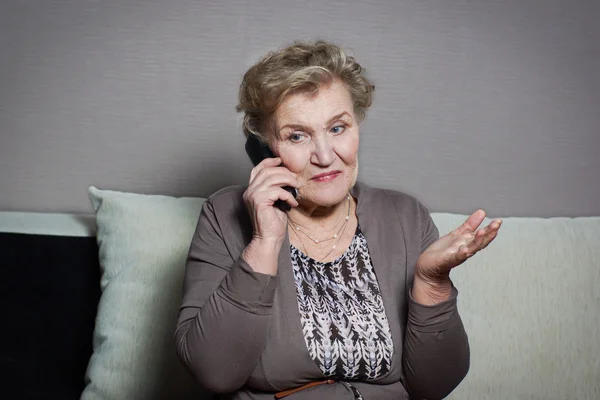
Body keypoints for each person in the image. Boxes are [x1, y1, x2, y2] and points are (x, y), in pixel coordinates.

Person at [175, 40, 502, 400]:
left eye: (337, 128)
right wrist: (264, 243)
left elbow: (435, 386)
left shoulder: (405, 217)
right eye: (297, 136)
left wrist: (431, 283)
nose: (326, 156)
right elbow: (214, 372)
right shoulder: (224, 215)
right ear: (265, 147)